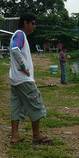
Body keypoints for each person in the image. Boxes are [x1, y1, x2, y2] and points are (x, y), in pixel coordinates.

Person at [9, 12, 52, 145]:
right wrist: (23, 66)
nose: (34, 26)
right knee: (35, 103)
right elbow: (15, 49)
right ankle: (36, 135)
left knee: (17, 106)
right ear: (25, 23)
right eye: (32, 23)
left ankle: (15, 135)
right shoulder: (20, 34)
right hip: (23, 79)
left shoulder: (17, 35)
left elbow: (12, 50)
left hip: (15, 79)